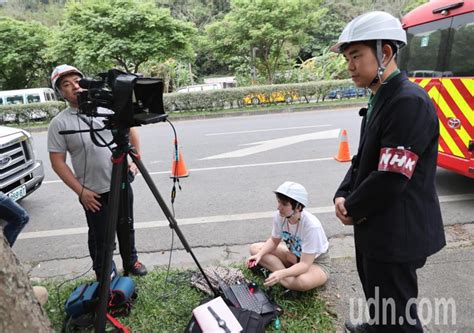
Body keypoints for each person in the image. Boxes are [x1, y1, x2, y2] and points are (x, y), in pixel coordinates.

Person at [331, 11, 445, 332]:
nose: (349, 66)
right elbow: (363, 158)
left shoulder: (408, 101)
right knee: (379, 298)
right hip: (378, 226)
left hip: (397, 232)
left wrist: (352, 206)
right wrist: (344, 192)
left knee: (399, 318)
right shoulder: (382, 96)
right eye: (347, 58)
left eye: (356, 56)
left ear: (385, 52)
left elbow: (392, 175)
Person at [47, 64, 147, 280]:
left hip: (120, 180)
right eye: (66, 84)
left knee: (126, 225)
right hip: (92, 191)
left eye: (77, 81)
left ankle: (131, 260)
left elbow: (130, 129)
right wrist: (80, 191)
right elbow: (58, 162)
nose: (74, 86)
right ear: (60, 92)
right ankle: (104, 270)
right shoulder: (59, 123)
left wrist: (136, 161)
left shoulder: (106, 107)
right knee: (101, 235)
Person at [246, 181, 330, 292]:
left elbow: (305, 264)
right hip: (293, 255)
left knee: (301, 282)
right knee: (255, 249)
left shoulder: (312, 226)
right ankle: (283, 276)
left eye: (284, 204)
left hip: (315, 262)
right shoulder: (280, 216)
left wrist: (281, 273)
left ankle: (279, 276)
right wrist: (259, 255)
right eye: (279, 202)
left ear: (298, 207)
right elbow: (274, 241)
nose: (278, 207)